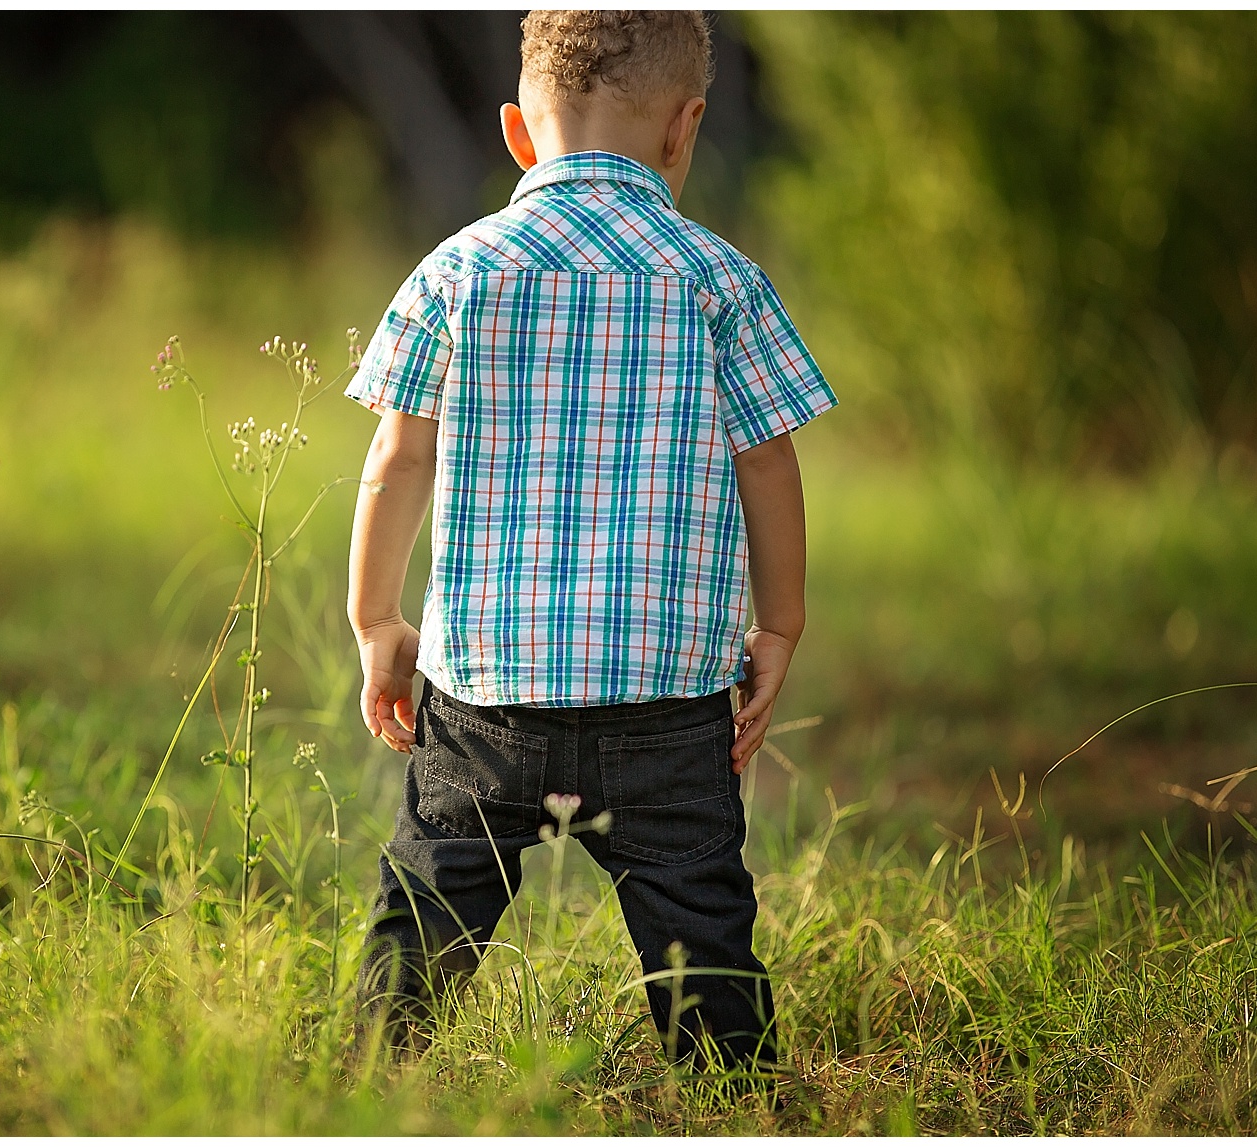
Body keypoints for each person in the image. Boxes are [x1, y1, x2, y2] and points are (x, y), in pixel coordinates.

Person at [342, 10, 836, 1075]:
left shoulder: (456, 271)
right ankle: (727, 1089)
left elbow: (397, 462)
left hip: (484, 693)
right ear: (683, 129)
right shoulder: (717, 279)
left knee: (430, 901)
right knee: (700, 920)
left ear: (520, 134)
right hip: (665, 701)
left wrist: (377, 619)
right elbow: (770, 464)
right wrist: (779, 624)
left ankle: (373, 1076)